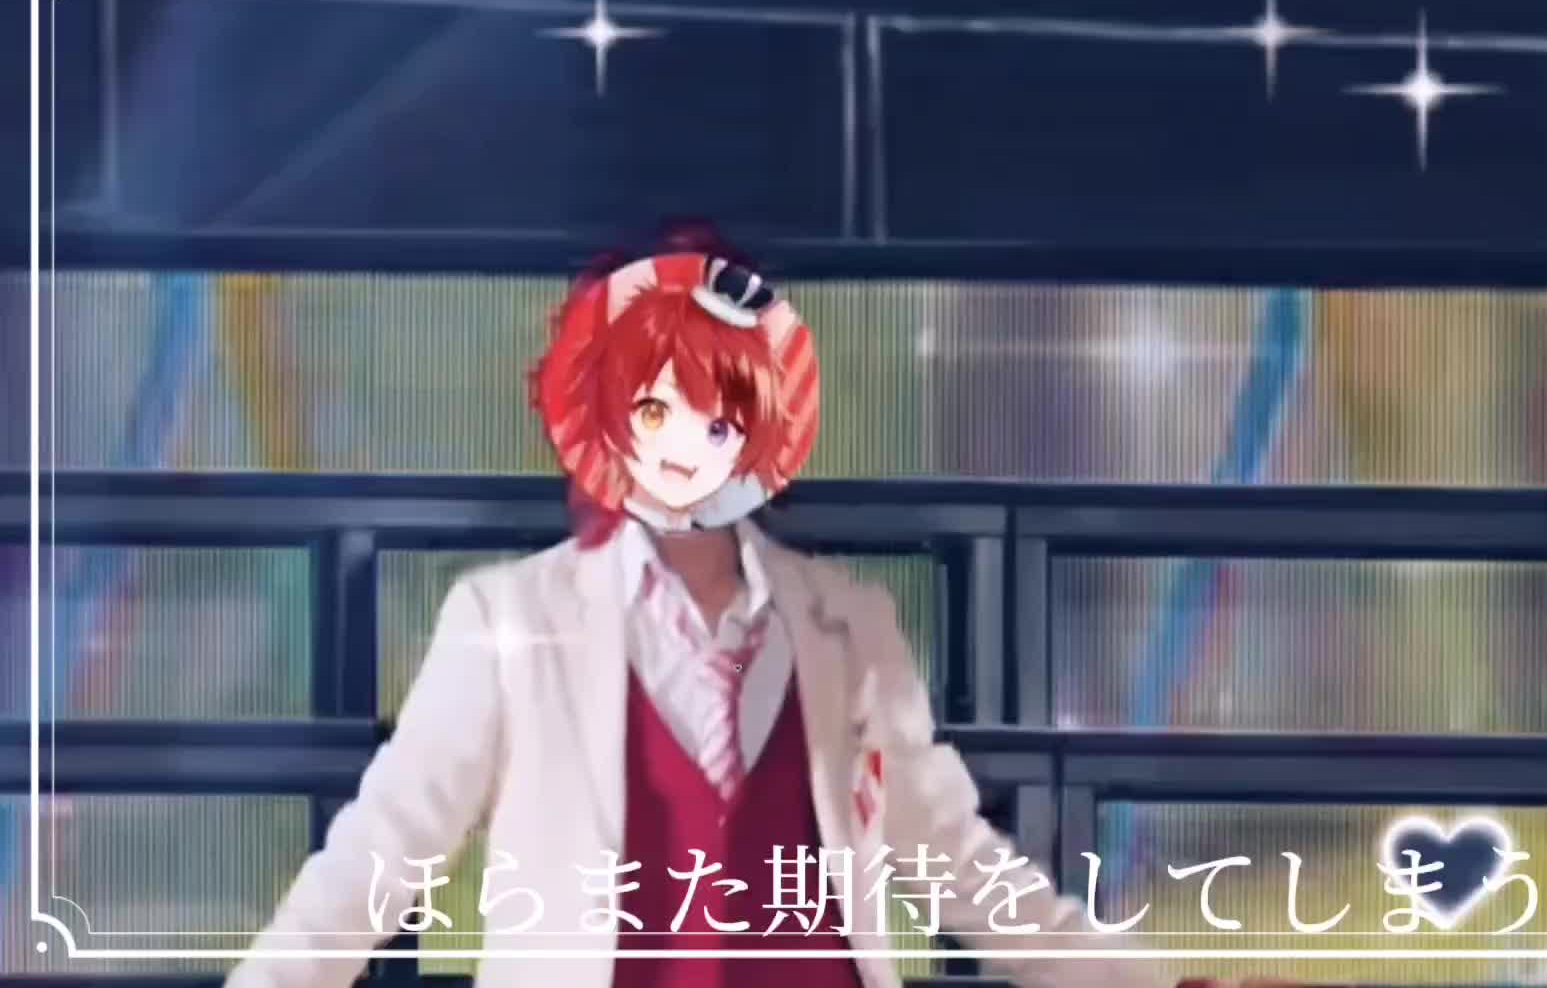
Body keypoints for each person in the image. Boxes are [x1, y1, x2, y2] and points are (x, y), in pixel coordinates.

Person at [227, 223, 1302, 988]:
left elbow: (959, 861)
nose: (686, 450)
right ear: (600, 415)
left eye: (720, 419)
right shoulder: (509, 621)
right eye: (654, 411)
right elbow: (381, 854)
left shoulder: (849, 624)